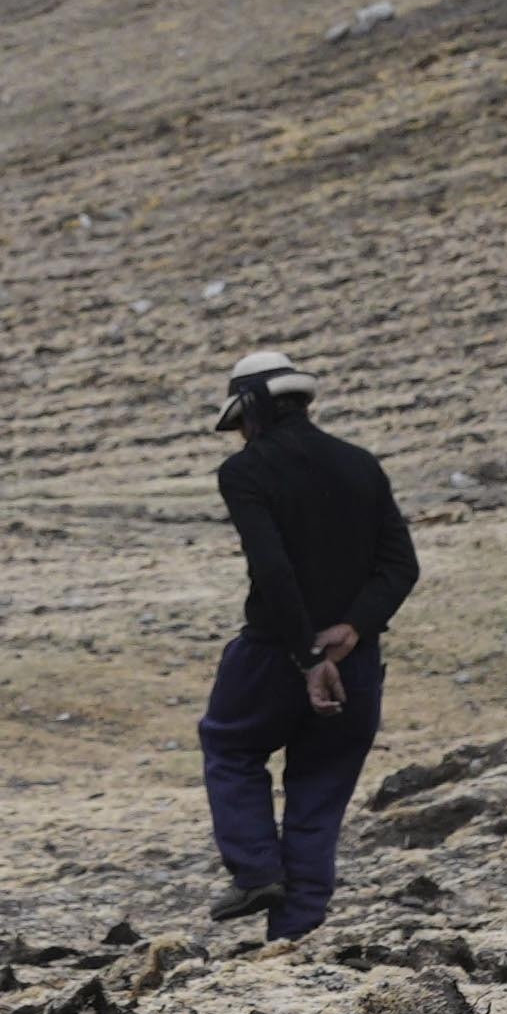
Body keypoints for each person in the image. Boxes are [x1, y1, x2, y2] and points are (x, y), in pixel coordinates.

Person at [202, 350, 420, 939]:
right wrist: (350, 633)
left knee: (229, 745)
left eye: (240, 420)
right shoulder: (360, 465)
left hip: (274, 652)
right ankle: (294, 934)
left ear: (252, 408)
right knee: (319, 791)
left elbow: (274, 572)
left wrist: (307, 656)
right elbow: (401, 566)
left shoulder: (246, 472)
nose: (240, 434)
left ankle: (254, 870)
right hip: (359, 661)